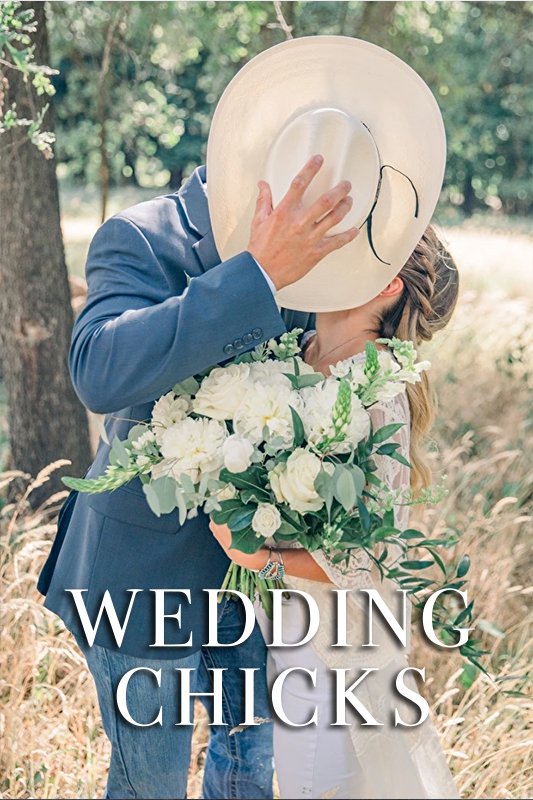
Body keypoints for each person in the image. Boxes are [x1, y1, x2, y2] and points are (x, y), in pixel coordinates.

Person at [36, 152, 358, 800]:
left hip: (257, 571)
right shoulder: (141, 235)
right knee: (148, 783)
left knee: (249, 763)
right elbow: (98, 372)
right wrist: (258, 276)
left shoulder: (318, 255)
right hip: (140, 575)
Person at [210, 222, 461, 799]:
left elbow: (375, 557)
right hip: (273, 625)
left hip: (335, 642)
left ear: (387, 287)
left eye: (354, 252)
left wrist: (259, 557)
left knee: (316, 785)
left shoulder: (380, 388)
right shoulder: (294, 350)